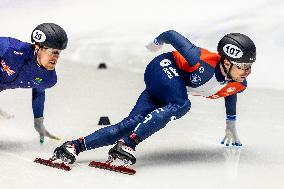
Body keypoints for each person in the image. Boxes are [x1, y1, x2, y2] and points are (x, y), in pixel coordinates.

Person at [52, 30, 256, 165]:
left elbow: (232, 92)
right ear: (227, 62)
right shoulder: (200, 60)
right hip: (162, 67)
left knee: (128, 124)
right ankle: (128, 145)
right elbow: (171, 34)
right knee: (181, 104)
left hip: (170, 87)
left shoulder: (239, 83)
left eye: (249, 67)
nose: (247, 72)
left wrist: (230, 123)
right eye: (243, 66)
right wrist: (154, 43)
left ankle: (73, 146)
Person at [0, 23, 68, 143]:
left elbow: (39, 93)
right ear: (37, 48)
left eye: (58, 52)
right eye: (52, 51)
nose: (55, 57)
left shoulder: (48, 78)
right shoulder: (9, 48)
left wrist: (38, 124)